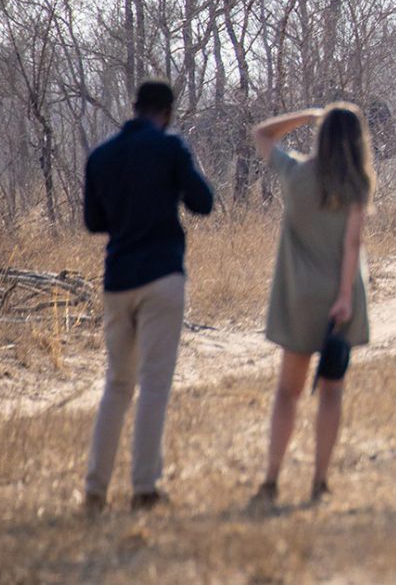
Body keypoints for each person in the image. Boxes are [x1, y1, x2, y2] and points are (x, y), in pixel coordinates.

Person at [82, 79, 215, 513]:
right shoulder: (170, 147)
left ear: (134, 107)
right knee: (154, 382)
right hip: (162, 276)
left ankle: (95, 490)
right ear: (168, 111)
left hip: (117, 278)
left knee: (117, 384)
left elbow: (93, 221)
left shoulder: (101, 155)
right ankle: (143, 487)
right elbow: (203, 202)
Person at [248, 103, 373, 508]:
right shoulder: (357, 185)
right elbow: (352, 244)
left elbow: (262, 134)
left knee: (288, 392)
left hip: (298, 296)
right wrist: (343, 297)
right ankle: (319, 481)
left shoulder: (296, 172)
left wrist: (305, 115)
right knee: (332, 392)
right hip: (339, 300)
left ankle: (271, 479)